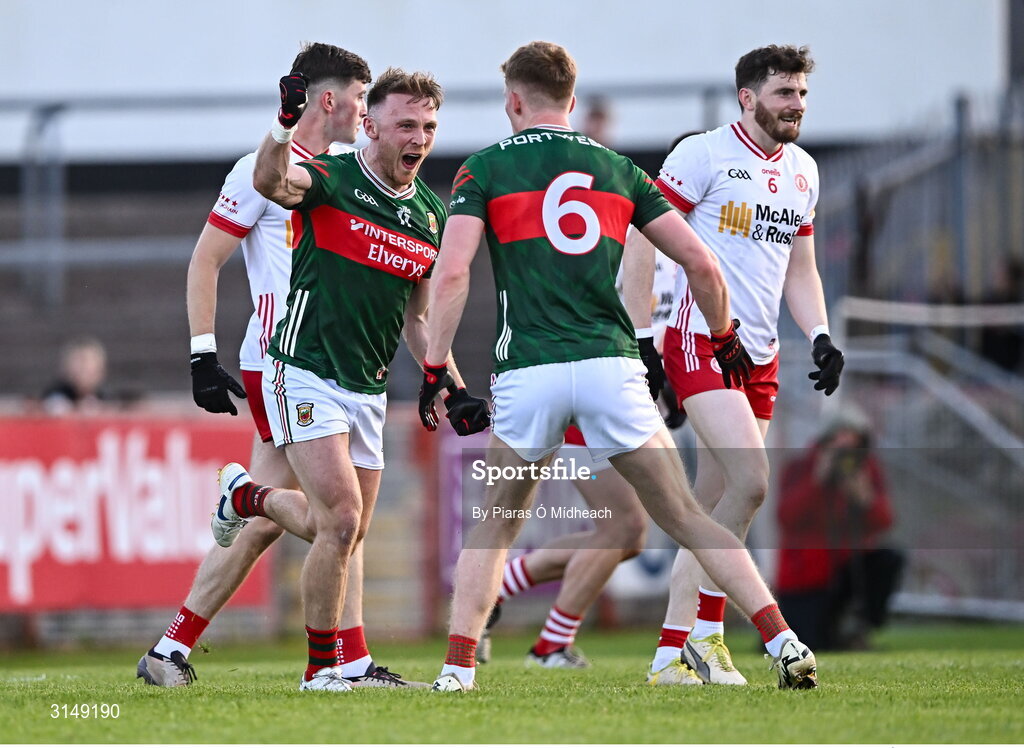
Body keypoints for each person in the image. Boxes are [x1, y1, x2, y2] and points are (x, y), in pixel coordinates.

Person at [419, 40, 818, 692]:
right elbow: (700, 263)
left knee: (493, 525)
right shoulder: (619, 169)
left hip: (529, 370)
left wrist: (438, 369)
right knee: (687, 514)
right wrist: (721, 341)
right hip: (611, 366)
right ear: (573, 102)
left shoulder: (483, 169)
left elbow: (455, 271)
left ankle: (458, 673)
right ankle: (782, 639)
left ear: (513, 101)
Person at [210, 63, 488, 693]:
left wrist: (449, 382)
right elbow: (270, 180)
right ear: (369, 124)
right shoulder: (333, 177)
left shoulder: (427, 212)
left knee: (348, 528)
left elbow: (419, 318)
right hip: (300, 368)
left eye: (429, 126)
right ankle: (321, 672)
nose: (419, 138)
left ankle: (245, 496)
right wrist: (284, 126)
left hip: (366, 387)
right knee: (339, 518)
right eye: (405, 125)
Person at [643, 43, 845, 686]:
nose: (797, 106)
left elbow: (801, 267)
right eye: (785, 94)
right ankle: (774, 637)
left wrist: (819, 334)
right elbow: (639, 238)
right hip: (698, 340)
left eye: (803, 94)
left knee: (712, 504)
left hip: (759, 354)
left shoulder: (806, 171)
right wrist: (644, 336)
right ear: (748, 97)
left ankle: (674, 653)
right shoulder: (701, 154)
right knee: (752, 481)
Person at [479, 236, 680, 669]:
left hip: (620, 407)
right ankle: (550, 644)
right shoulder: (613, 241)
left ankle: (496, 588)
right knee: (623, 530)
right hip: (590, 407)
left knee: (622, 536)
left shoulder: (671, 248)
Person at [775, 410, 903, 651]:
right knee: (812, 642)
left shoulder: (867, 470)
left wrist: (865, 499)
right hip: (808, 576)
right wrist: (816, 482)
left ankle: (859, 626)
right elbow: (787, 518)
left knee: (889, 558)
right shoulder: (800, 467)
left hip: (848, 567)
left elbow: (884, 521)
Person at [41, 336, 110, 414]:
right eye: (79, 361)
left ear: (101, 370)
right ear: (66, 368)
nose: (83, 367)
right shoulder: (52, 398)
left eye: (87, 361)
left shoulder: (106, 400)